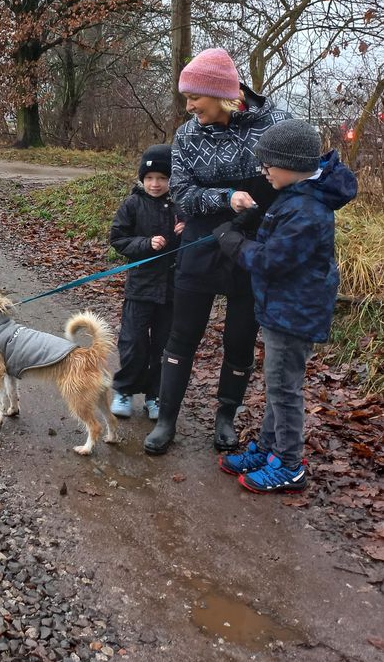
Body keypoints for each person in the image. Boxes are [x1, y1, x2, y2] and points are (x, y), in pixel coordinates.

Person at [144, 47, 291, 455]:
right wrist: (227, 197)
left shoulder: (275, 125)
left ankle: (225, 416)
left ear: (222, 93)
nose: (189, 107)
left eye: (194, 97)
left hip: (253, 245)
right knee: (182, 333)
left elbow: (294, 180)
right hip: (202, 242)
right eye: (186, 99)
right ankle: (167, 420)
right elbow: (184, 195)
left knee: (241, 337)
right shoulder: (187, 135)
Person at [213, 120, 357, 491]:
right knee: (277, 383)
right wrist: (249, 222)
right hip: (281, 309)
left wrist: (232, 241)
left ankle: (290, 464)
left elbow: (269, 261)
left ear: (291, 164)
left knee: (284, 389)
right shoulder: (297, 198)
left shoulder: (309, 211)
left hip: (294, 314)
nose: (263, 171)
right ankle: (269, 449)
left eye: (268, 165)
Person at [109, 145, 184, 421]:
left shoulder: (181, 205)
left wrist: (185, 233)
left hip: (171, 290)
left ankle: (155, 395)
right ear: (142, 178)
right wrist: (145, 243)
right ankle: (124, 390)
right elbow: (118, 239)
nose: (155, 184)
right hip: (140, 287)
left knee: (163, 347)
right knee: (133, 342)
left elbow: (197, 241)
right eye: (150, 177)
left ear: (171, 180)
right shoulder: (132, 204)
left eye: (162, 178)